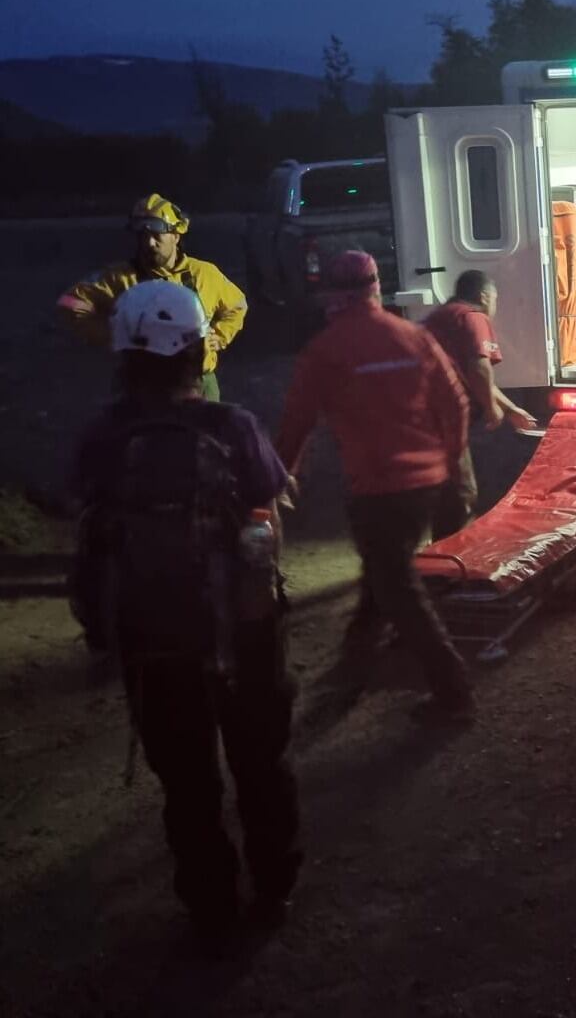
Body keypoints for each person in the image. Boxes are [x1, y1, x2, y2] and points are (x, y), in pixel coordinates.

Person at [68, 280, 301, 939]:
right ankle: (274, 889)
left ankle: (211, 909)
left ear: (124, 353)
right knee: (261, 765)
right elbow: (268, 517)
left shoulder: (104, 435)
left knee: (188, 784)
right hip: (243, 633)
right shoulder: (231, 426)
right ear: (198, 350)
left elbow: (88, 523)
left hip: (150, 639)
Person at [275, 251, 475, 722]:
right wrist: (452, 459)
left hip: (377, 490)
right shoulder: (415, 337)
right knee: (383, 575)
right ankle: (352, 669)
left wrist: (281, 474)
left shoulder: (325, 350)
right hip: (427, 484)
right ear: (375, 287)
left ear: (331, 293)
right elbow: (456, 404)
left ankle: (454, 693)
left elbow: (296, 422)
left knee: (397, 585)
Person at [57, 193, 248, 400]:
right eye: (142, 236)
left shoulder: (204, 274)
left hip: (198, 383)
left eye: (157, 235)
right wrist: (114, 335)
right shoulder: (119, 278)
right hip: (141, 387)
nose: (149, 243)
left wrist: (219, 336)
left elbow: (237, 304)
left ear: (176, 236)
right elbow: (70, 303)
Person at [423, 270, 537, 538]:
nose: (494, 306)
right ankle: (450, 553)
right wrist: (491, 408)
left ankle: (438, 546)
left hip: (422, 416)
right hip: (445, 416)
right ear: (484, 296)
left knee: (443, 486)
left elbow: (474, 376)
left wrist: (510, 408)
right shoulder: (473, 317)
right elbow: (479, 369)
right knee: (463, 491)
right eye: (495, 299)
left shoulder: (439, 317)